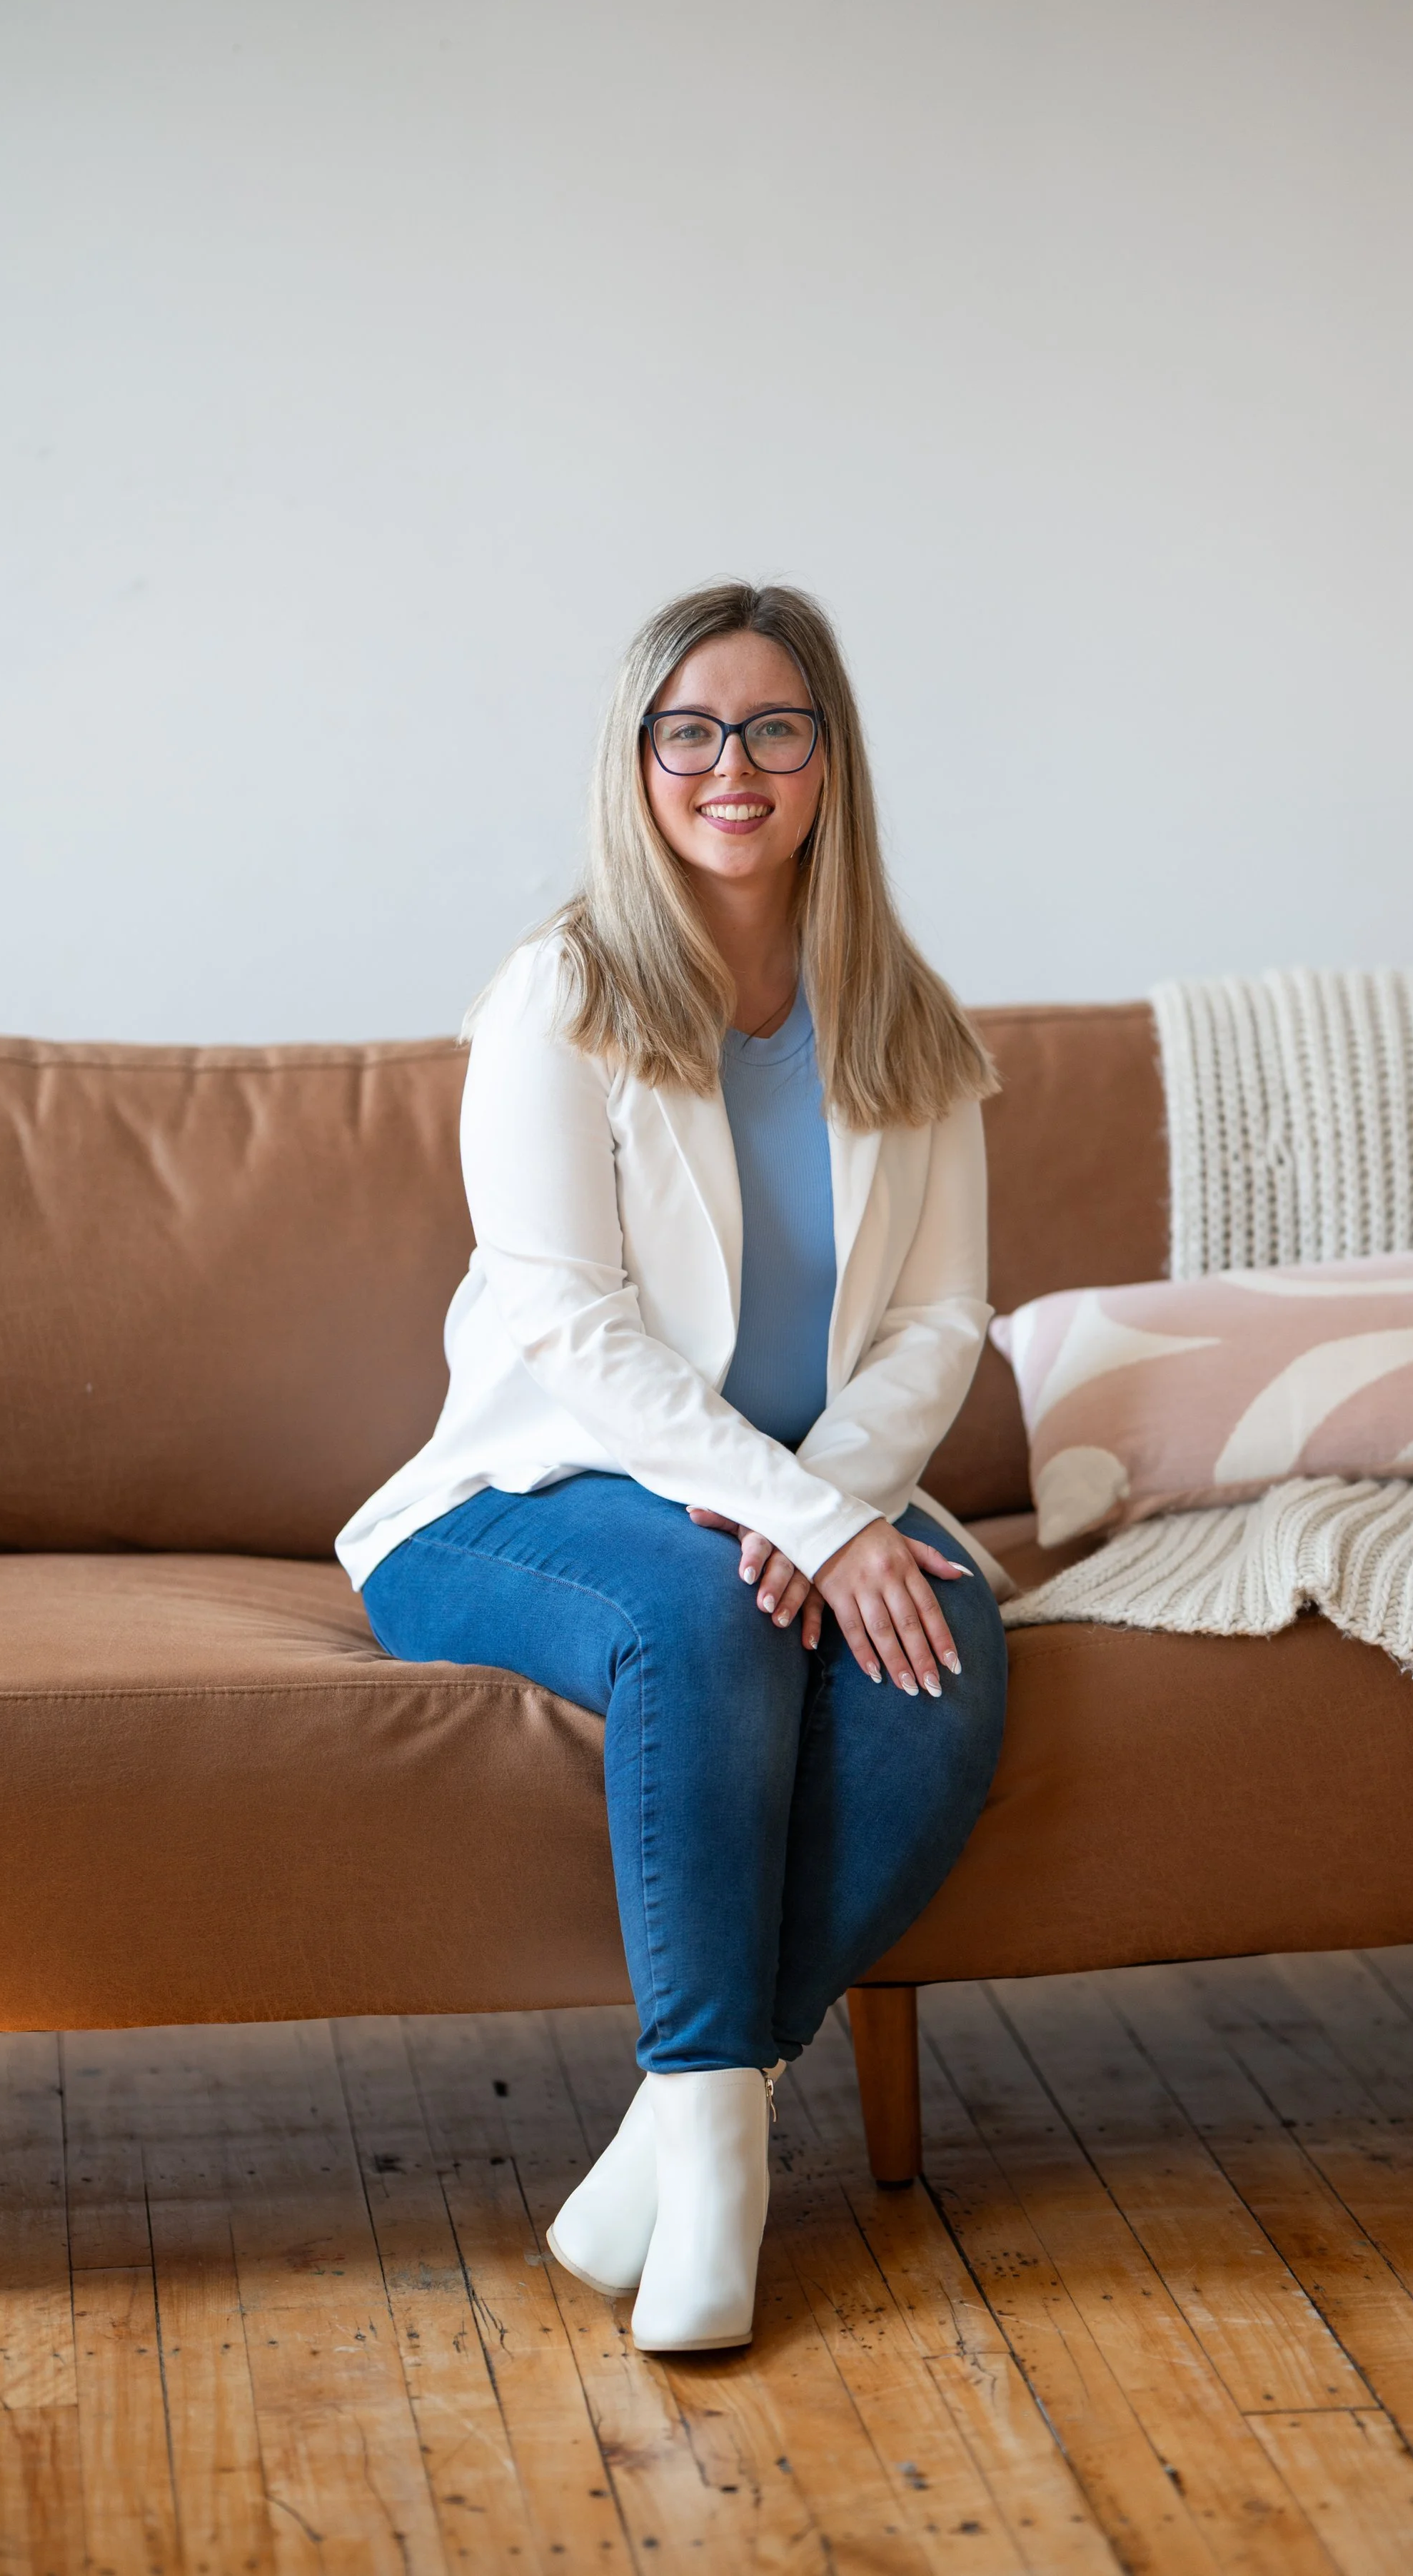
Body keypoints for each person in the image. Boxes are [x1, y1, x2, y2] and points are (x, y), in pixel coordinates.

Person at [338, 580, 1007, 2353]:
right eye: (689, 731)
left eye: (774, 727)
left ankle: (678, 2128)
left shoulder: (904, 1014)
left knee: (941, 1653)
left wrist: (838, 1507)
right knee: (712, 1614)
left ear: (827, 759)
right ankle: (719, 2189)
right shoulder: (560, 993)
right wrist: (806, 1524)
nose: (733, 766)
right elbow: (569, 1325)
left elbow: (939, 1319)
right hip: (525, 1505)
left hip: (801, 1493)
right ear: (635, 763)